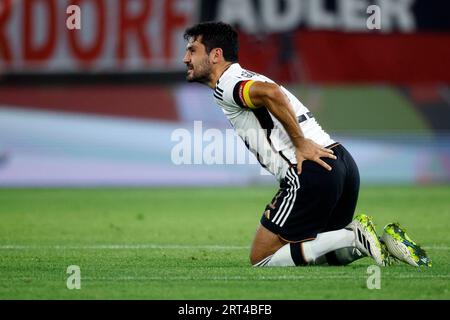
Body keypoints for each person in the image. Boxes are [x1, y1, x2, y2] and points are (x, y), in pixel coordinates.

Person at [182, 21, 431, 268]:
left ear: (216, 55)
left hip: (309, 170)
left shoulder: (228, 83)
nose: (185, 58)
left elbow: (271, 93)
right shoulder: (244, 76)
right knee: (318, 249)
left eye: (192, 50)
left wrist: (300, 143)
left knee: (262, 258)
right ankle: (382, 242)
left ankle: (353, 235)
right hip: (340, 162)